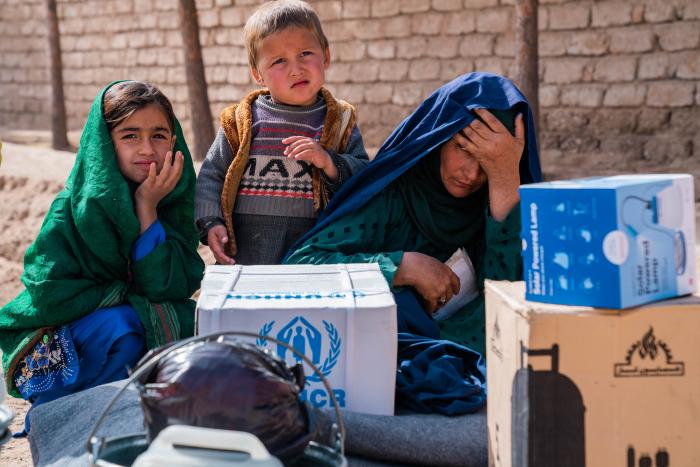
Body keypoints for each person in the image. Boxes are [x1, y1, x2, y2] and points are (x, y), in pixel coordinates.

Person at [286, 72, 542, 358]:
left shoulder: (496, 205)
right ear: (438, 138)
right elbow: (302, 266)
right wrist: (400, 266)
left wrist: (505, 180)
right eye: (462, 148)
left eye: (489, 162)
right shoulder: (393, 197)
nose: (471, 174)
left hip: (460, 364)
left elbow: (510, 303)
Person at [0, 81, 204, 434]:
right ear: (105, 145)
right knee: (123, 327)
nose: (147, 149)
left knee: (195, 328)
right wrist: (128, 297)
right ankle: (60, 418)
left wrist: (147, 208)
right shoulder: (75, 208)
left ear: (174, 142)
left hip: (127, 324)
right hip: (55, 349)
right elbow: (47, 289)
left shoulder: (173, 203)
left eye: (158, 135)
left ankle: (128, 416)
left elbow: (171, 285)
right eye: (130, 136)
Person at [195, 0, 368, 266]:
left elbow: (364, 176)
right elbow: (211, 175)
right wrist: (211, 222)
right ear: (258, 74)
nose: (296, 69)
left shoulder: (340, 122)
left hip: (314, 255)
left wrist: (328, 162)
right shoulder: (241, 121)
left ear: (326, 56)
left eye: (305, 54)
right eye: (279, 61)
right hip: (248, 256)